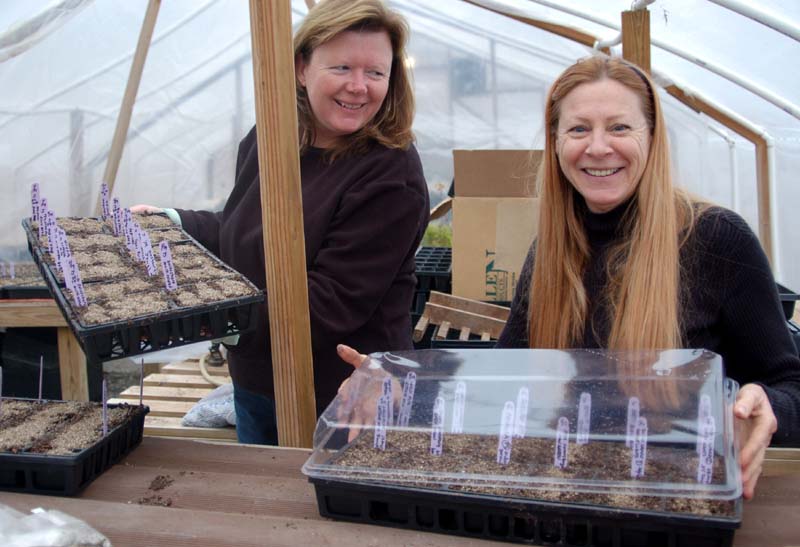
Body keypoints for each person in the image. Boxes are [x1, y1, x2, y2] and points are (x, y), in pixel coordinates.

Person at [338, 56, 800, 500]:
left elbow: (790, 385)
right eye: (578, 129)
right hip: (569, 491)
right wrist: (403, 390)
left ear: (653, 137)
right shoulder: (551, 254)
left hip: (676, 496)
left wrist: (765, 407)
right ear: (556, 143)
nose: (598, 147)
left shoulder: (715, 239)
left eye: (619, 127)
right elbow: (504, 382)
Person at [134, 0, 429, 445]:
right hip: (257, 379)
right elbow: (244, 231)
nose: (358, 86)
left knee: (316, 511)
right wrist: (172, 223)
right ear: (301, 68)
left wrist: (208, 320)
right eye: (342, 66)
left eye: (375, 72)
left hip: (344, 396)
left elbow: (326, 305)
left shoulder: (390, 173)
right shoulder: (272, 138)